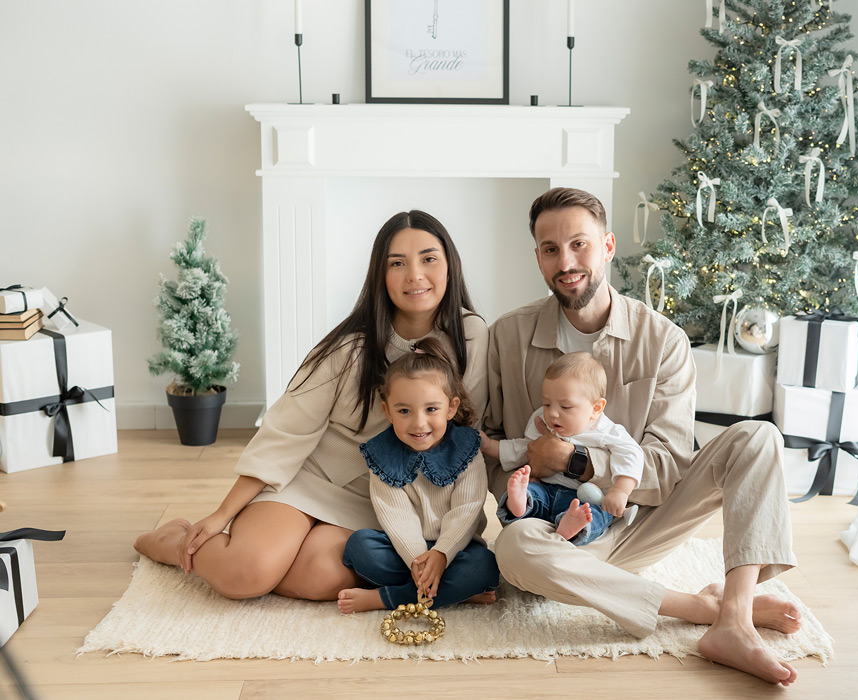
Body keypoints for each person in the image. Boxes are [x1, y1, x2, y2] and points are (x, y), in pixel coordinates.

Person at [484, 187, 802, 686]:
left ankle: (736, 617)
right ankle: (706, 609)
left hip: (642, 518)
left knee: (758, 437)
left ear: (608, 246)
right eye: (550, 249)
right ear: (538, 257)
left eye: (579, 244)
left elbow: (669, 465)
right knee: (513, 548)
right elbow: (489, 449)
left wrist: (574, 462)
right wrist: (524, 484)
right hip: (558, 533)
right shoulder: (507, 336)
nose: (566, 262)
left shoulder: (663, 340)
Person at [134, 211, 488, 602]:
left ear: (450, 265)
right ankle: (175, 541)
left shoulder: (471, 335)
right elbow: (285, 432)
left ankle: (279, 552)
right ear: (380, 274)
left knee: (325, 578)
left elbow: (461, 440)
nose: (415, 275)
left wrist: (448, 550)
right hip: (306, 480)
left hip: (382, 499)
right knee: (246, 574)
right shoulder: (350, 346)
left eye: (428, 258)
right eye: (397, 263)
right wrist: (222, 514)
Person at [336, 338, 499, 613]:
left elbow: (467, 509)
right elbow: (397, 516)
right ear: (387, 410)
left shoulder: (467, 447)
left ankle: (386, 598)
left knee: (485, 566)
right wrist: (418, 561)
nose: (419, 423)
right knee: (358, 547)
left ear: (451, 407)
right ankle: (452, 592)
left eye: (431, 409)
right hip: (406, 553)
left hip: (457, 550)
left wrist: (442, 554)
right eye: (404, 411)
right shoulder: (382, 454)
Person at [480, 351, 642, 545]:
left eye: (565, 407)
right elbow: (524, 448)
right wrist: (489, 446)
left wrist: (621, 490)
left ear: (596, 408)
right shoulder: (541, 420)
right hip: (546, 490)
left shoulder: (607, 431)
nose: (553, 414)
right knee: (533, 491)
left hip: (585, 499)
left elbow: (631, 453)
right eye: (547, 404)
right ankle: (521, 502)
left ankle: (573, 527)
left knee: (599, 513)